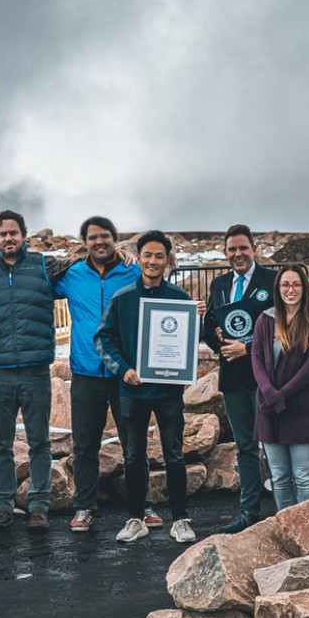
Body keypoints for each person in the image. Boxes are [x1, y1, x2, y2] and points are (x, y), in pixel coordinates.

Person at [0, 210, 81, 534]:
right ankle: (2, 506)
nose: (8, 238)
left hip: (35, 371)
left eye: (14, 232)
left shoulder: (43, 265)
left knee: (40, 441)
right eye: (2, 234)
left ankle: (38, 506)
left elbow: (85, 263)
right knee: (1, 442)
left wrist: (120, 254)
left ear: (23, 235)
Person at [96, 230, 197, 544]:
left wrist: (199, 318)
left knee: (175, 455)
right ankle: (136, 518)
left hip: (168, 392)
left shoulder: (180, 299)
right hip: (134, 390)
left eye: (159, 256)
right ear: (139, 258)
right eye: (147, 255)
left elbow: (191, 340)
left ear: (168, 261)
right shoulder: (123, 298)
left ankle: (180, 519)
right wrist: (123, 369)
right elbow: (104, 339)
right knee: (134, 456)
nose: (153, 261)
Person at [55, 216, 139, 533]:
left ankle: (141, 505)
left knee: (134, 444)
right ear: (84, 242)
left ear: (115, 239)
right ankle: (84, 507)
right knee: (85, 445)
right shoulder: (72, 275)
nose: (99, 241)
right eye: (92, 237)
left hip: (124, 372)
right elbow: (36, 286)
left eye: (105, 236)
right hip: (86, 373)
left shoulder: (134, 270)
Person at [201, 224, 276, 533]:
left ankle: (284, 510)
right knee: (245, 446)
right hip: (233, 377)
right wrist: (217, 338)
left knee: (274, 444)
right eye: (232, 249)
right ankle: (249, 512)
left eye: (243, 248)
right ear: (225, 253)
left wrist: (248, 348)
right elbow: (209, 325)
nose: (238, 254)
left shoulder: (271, 281)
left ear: (254, 249)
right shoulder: (219, 285)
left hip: (266, 377)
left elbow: (281, 329)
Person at [249, 264, 309, 510]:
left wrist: (281, 394)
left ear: (304, 288)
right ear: (278, 288)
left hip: (303, 410)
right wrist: (269, 393)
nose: (290, 289)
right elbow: (256, 357)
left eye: (296, 284)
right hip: (269, 408)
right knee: (280, 478)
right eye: (285, 284)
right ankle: (286, 529)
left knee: (304, 476)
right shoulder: (265, 319)